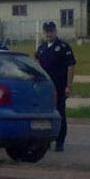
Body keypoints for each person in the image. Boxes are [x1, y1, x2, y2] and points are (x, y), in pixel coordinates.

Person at [35, 21, 76, 152]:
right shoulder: (41, 48)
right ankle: (46, 141)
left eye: (51, 31)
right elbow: (36, 64)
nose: (48, 34)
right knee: (45, 116)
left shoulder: (63, 47)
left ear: (55, 31)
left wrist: (68, 86)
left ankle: (60, 141)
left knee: (60, 114)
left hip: (59, 87)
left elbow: (71, 66)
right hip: (45, 89)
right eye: (46, 31)